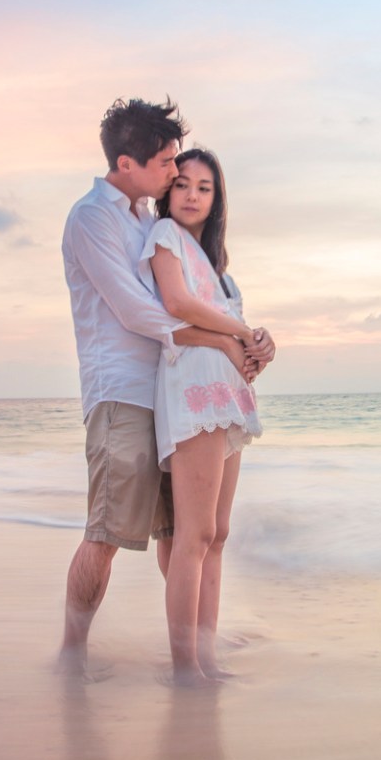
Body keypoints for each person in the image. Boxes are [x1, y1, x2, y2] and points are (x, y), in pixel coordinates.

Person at [57, 98, 271, 679]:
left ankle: (193, 649)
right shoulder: (92, 219)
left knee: (182, 535)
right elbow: (136, 311)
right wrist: (225, 339)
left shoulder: (152, 222)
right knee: (108, 531)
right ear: (126, 163)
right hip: (122, 391)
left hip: (173, 392)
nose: (175, 175)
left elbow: (194, 297)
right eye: (165, 164)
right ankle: (72, 652)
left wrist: (238, 342)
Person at [145, 147, 267, 685]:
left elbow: (234, 324)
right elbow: (175, 304)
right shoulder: (164, 238)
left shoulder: (219, 270)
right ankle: (184, 666)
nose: (192, 195)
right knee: (192, 536)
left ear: (216, 201)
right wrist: (240, 335)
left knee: (217, 534)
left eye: (204, 188)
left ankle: (207, 654)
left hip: (228, 396)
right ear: (168, 193)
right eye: (183, 185)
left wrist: (263, 342)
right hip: (194, 388)